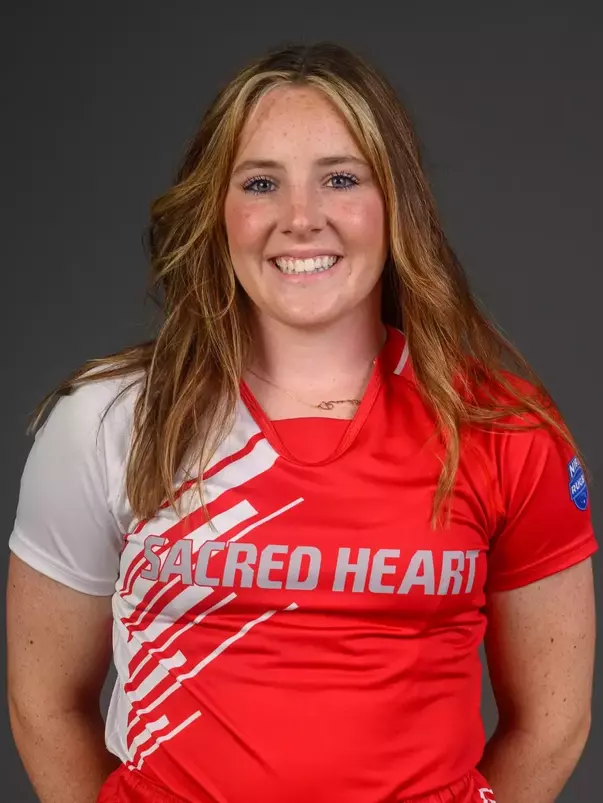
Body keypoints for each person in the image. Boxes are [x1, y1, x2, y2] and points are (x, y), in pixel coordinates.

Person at [6, 41, 596, 803]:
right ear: (217, 211)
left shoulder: (504, 428)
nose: (299, 219)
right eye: (260, 183)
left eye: (340, 179)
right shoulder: (106, 421)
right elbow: (44, 704)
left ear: (396, 204)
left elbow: (551, 723)